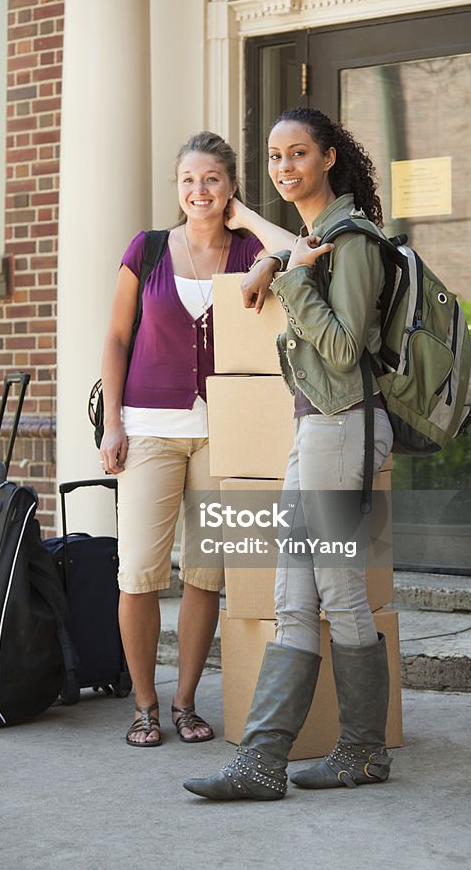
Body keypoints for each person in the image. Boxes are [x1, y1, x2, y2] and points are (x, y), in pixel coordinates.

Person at [183, 108, 394, 798]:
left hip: (343, 428)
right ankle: (262, 762)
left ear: (328, 157)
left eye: (297, 154)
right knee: (290, 594)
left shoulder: (351, 240)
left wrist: (289, 277)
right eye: (275, 158)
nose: (284, 169)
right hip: (318, 429)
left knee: (334, 592)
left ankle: (362, 752)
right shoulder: (315, 237)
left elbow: (342, 348)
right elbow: (296, 259)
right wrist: (277, 259)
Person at [99, 131, 295, 747]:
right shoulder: (148, 249)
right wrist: (113, 423)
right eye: (188, 179)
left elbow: (303, 249)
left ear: (231, 186)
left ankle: (185, 702)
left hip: (224, 435)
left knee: (206, 574)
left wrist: (257, 234)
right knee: (139, 574)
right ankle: (144, 705)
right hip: (149, 433)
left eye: (212, 179)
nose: (198, 190)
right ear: (177, 187)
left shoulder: (248, 252)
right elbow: (116, 339)